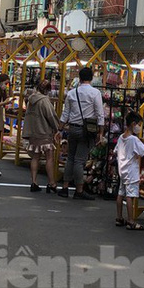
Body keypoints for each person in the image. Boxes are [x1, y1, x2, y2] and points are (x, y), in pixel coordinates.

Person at [58, 67, 104, 200]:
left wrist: (59, 129)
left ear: (80, 77)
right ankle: (79, 190)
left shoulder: (72, 93)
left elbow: (65, 113)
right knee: (79, 160)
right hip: (87, 130)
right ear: (91, 78)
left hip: (72, 128)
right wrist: (100, 133)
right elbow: (100, 114)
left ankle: (65, 187)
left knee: (71, 158)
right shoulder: (95, 93)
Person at [22, 80, 60, 193]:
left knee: (35, 157)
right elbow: (51, 116)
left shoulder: (30, 100)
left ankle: (34, 181)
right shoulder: (44, 101)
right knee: (49, 157)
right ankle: (51, 183)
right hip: (44, 132)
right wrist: (58, 127)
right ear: (47, 90)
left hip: (33, 132)